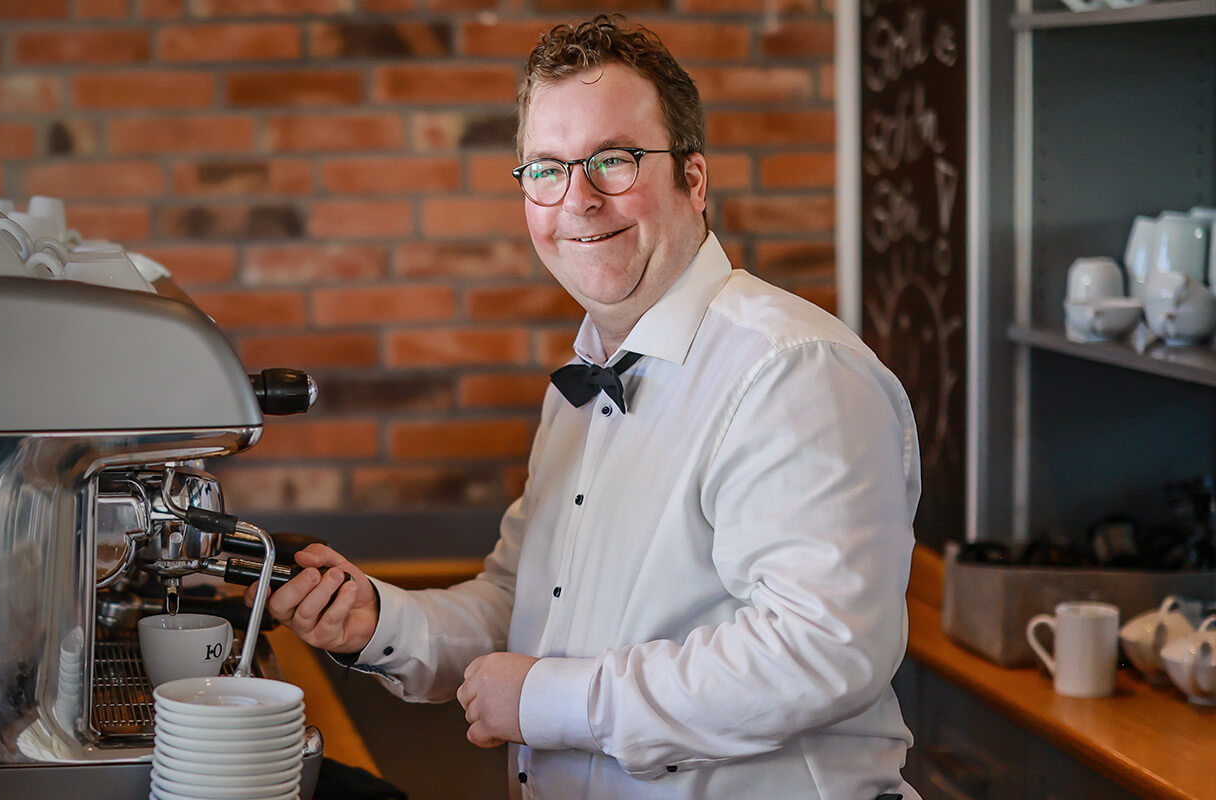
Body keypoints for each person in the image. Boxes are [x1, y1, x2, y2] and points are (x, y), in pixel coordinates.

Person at [264, 15, 921, 800]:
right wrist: (377, 621)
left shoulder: (794, 372)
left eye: (614, 160)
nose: (577, 200)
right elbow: (522, 604)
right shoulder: (583, 384)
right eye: (546, 169)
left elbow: (819, 652)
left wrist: (547, 699)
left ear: (694, 180)